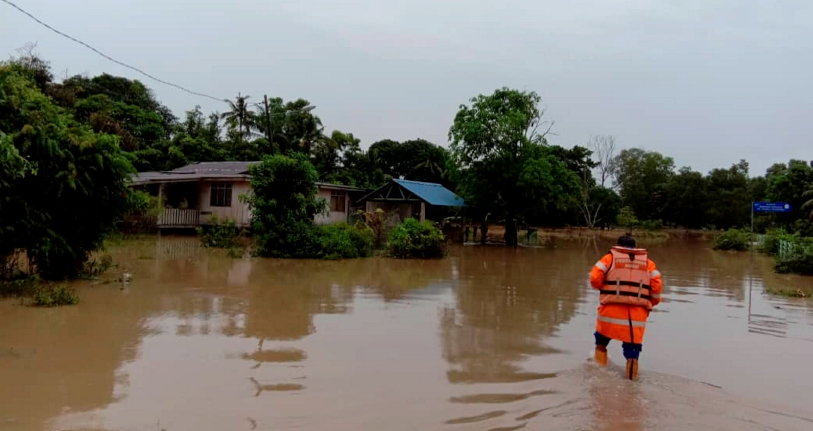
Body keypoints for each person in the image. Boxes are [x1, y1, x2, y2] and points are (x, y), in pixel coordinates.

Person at [589, 234, 662, 380]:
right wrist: (650, 304)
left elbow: (594, 279)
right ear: (635, 247)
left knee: (601, 344)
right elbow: (656, 288)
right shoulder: (648, 263)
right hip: (636, 317)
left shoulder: (609, 258)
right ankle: (631, 386)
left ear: (618, 245)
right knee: (633, 354)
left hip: (610, 312)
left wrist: (604, 289)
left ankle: (599, 376)